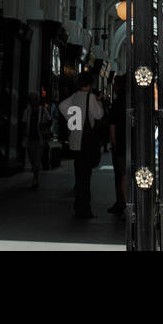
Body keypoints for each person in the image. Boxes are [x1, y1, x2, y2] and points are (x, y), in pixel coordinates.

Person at [59, 71, 104, 219]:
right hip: (86, 143)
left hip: (75, 141)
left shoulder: (74, 96)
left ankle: (78, 206)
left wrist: (73, 119)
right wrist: (98, 101)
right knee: (85, 176)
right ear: (90, 84)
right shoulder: (90, 97)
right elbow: (99, 115)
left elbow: (62, 106)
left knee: (79, 175)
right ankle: (84, 208)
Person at [20, 92, 51, 190]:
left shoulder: (43, 111)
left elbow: (49, 120)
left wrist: (44, 125)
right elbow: (24, 123)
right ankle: (35, 172)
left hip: (39, 139)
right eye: (31, 100)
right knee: (32, 158)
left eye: (35, 100)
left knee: (37, 160)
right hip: (30, 139)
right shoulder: (27, 111)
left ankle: (35, 179)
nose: (33, 102)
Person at [106, 74, 127, 216]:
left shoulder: (118, 101)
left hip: (120, 144)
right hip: (130, 143)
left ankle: (123, 202)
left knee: (121, 174)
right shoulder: (132, 100)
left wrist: (113, 144)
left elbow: (112, 124)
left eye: (114, 84)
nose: (113, 87)